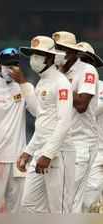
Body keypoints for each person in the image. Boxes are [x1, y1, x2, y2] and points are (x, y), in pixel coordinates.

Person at [17, 36, 75, 213]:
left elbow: (64, 121)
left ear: (50, 58)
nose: (34, 59)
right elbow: (43, 123)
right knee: (29, 204)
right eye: (33, 54)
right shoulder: (42, 81)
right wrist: (29, 151)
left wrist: (48, 154)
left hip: (59, 153)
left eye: (39, 54)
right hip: (41, 151)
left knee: (60, 209)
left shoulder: (61, 82)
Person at [0, 47, 35, 213]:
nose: (11, 68)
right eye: (7, 64)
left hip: (18, 160)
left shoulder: (24, 88)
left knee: (17, 211)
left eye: (14, 64)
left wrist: (23, 82)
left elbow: (37, 111)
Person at [52, 31, 100, 213]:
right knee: (59, 199)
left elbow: (81, 104)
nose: (58, 53)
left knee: (71, 200)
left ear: (72, 52)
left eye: (62, 50)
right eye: (56, 49)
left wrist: (61, 88)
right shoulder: (55, 72)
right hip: (59, 142)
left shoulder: (87, 71)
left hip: (81, 142)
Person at [74, 41, 103, 212]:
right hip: (72, 151)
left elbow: (91, 109)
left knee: (89, 202)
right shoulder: (65, 85)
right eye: (78, 59)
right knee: (78, 203)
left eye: (86, 60)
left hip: (98, 152)